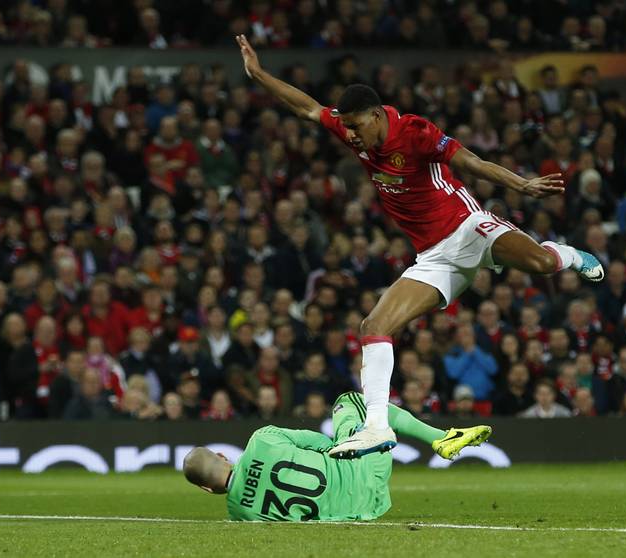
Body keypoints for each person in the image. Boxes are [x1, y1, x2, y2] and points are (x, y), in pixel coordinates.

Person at [237, 35, 604, 459]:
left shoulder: (415, 132)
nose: (350, 135)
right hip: (433, 256)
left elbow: (470, 162)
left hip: (467, 226)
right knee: (373, 326)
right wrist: (259, 74)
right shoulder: (354, 130)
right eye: (347, 127)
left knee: (541, 262)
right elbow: (307, 107)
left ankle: (570, 254)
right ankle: (376, 427)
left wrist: (520, 184)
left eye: (356, 126)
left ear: (376, 116)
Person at [182, 392, 491, 521]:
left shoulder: (239, 513)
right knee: (351, 400)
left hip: (366, 510)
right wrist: (345, 442)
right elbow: (320, 440)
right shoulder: (261, 439)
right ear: (222, 455)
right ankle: (439, 437)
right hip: (367, 463)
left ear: (206, 488)